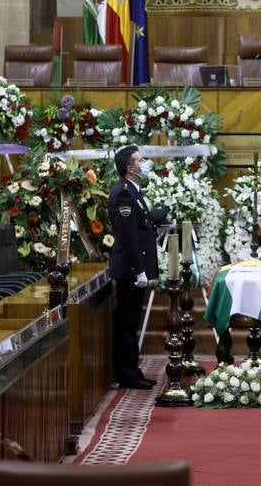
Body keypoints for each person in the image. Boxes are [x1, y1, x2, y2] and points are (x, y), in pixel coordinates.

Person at [107, 144, 169, 389]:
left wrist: (163, 214)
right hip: (129, 271)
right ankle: (126, 373)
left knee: (131, 322)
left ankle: (131, 370)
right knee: (127, 323)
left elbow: (141, 219)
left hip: (133, 269)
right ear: (130, 168)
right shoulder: (123, 193)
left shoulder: (133, 190)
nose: (145, 163)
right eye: (141, 160)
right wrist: (139, 270)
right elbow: (128, 235)